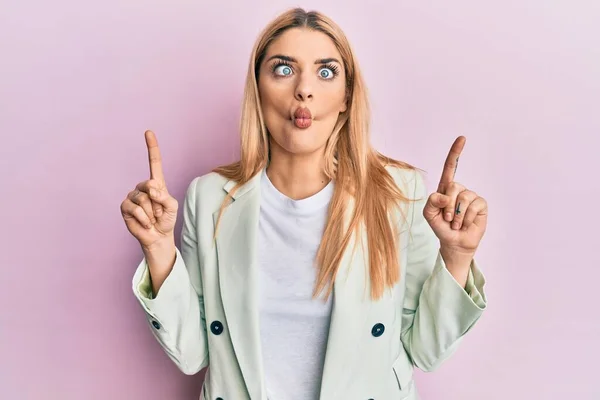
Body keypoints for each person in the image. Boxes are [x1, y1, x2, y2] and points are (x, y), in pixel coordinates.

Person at [120, 7, 488, 400]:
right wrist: (158, 249)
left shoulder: (399, 194)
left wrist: (457, 256)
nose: (304, 89)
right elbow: (192, 355)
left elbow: (425, 352)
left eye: (326, 71)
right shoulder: (209, 197)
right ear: (258, 90)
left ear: (347, 97)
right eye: (283, 69)